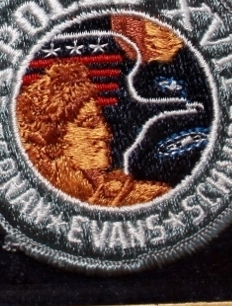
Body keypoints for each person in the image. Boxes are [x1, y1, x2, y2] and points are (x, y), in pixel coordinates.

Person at [16, 60, 170, 206]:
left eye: (100, 122)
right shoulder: (39, 199)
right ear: (54, 141)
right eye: (89, 124)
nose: (104, 133)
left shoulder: (153, 198)